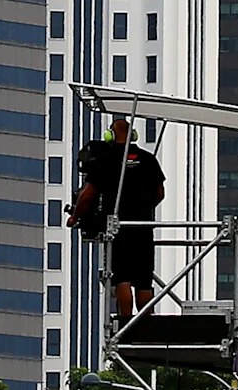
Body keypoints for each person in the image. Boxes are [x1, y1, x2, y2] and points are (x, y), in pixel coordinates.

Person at [66, 121, 168, 322]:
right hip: (143, 228)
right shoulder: (148, 159)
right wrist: (144, 208)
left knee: (122, 279)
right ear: (134, 135)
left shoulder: (104, 160)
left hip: (118, 227)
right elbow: (160, 193)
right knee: (144, 281)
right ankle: (147, 324)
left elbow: (87, 195)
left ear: (109, 136)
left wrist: (75, 217)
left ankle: (126, 323)